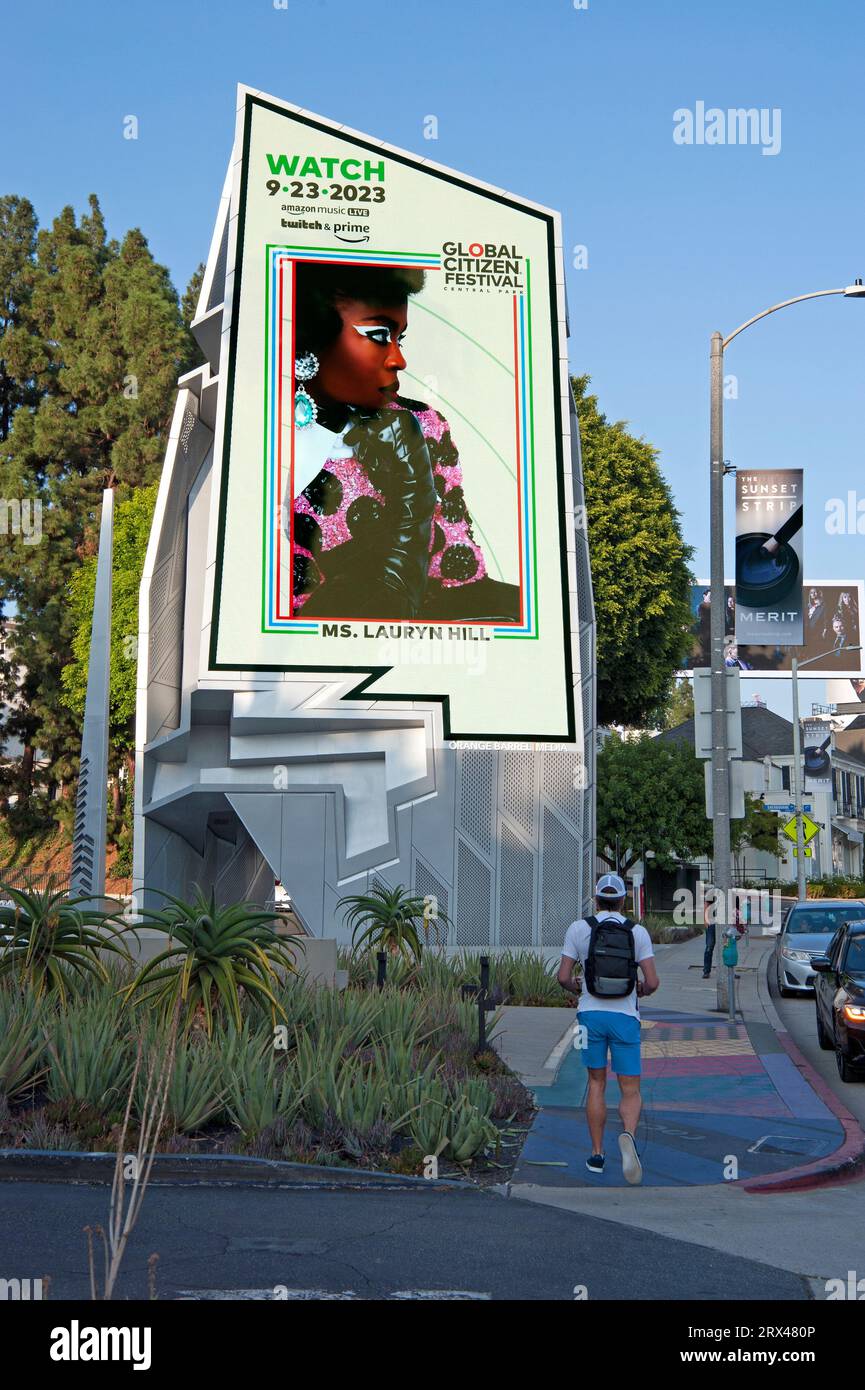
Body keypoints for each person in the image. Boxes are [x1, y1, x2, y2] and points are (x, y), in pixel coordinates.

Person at [284, 260, 521, 622]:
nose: (399, 359)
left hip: (430, 628)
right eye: (379, 336)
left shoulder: (424, 423)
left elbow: (459, 573)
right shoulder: (263, 436)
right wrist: (411, 489)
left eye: (400, 338)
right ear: (312, 339)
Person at [558, 873, 658, 1184]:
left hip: (590, 1015)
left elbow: (563, 977)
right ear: (623, 900)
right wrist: (640, 990)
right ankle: (627, 1135)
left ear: (596, 899)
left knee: (596, 1083)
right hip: (625, 1017)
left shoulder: (579, 928)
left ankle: (597, 1154)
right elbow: (653, 982)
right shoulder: (637, 932)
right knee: (630, 1088)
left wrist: (579, 986)